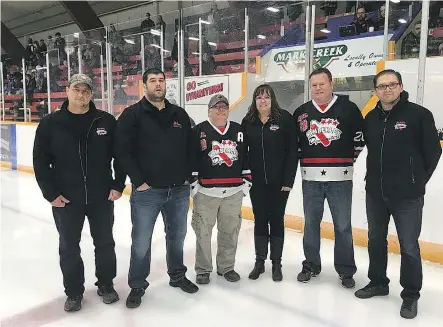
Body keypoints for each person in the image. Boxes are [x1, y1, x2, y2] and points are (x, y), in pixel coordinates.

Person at [33, 74, 126, 312]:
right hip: (66, 199)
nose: (81, 95)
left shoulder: (105, 120)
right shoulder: (50, 123)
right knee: (68, 247)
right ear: (67, 90)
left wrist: (117, 185)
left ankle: (106, 284)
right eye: (77, 89)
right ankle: (74, 292)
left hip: (101, 197)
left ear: (91, 94)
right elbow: (40, 162)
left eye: (86, 91)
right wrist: (50, 194)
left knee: (105, 243)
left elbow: (120, 156)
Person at [355, 69, 442, 319]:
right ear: (376, 91)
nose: (387, 90)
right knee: (375, 241)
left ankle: (411, 295)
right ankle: (379, 282)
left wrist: (416, 180)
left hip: (407, 196)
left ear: (401, 87)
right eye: (382, 86)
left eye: (392, 85)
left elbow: (433, 152)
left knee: (409, 247)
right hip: (375, 193)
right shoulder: (370, 118)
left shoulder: (419, 115)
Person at [114, 68, 198, 309]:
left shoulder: (179, 114)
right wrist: (138, 181)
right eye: (153, 81)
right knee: (141, 241)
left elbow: (191, 147)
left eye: (161, 80)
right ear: (144, 86)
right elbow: (121, 152)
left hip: (178, 191)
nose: (158, 84)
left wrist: (187, 176)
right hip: (147, 192)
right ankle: (137, 284)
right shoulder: (132, 115)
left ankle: (177, 275)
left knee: (177, 236)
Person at [292, 68, 364, 288]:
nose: (318, 88)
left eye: (322, 84)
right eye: (314, 85)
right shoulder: (301, 112)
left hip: (340, 180)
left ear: (331, 84)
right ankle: (311, 264)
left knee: (342, 226)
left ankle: (345, 269)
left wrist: (342, 163)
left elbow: (359, 139)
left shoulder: (348, 108)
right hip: (311, 179)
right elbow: (295, 145)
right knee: (311, 224)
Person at [190, 94, 251, 285]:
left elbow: (246, 157)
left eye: (224, 106)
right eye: (216, 107)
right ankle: (203, 269)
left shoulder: (238, 131)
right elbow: (191, 157)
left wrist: (246, 181)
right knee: (203, 233)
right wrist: (194, 183)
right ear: (209, 110)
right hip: (206, 192)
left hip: (233, 192)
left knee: (230, 231)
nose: (221, 110)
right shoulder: (199, 130)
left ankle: (226, 267)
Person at [241, 84, 299, 282]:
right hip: (256, 183)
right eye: (258, 97)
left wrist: (288, 180)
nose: (262, 101)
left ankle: (276, 263)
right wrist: (247, 178)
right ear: (254, 101)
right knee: (259, 220)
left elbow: (292, 152)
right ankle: (259, 262)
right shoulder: (248, 122)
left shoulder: (284, 119)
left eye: (266, 97)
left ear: (272, 98)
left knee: (276, 220)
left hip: (279, 183)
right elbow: (243, 153)